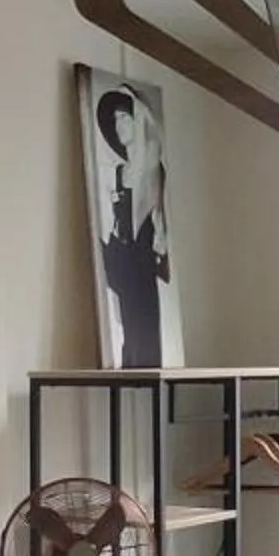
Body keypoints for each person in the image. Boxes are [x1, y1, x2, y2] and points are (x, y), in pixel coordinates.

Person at [94, 88, 170, 366]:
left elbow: (156, 220)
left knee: (143, 332)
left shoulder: (152, 169)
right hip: (120, 260)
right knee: (127, 328)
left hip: (141, 266)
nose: (120, 125)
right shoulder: (115, 173)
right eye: (116, 120)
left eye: (126, 117)